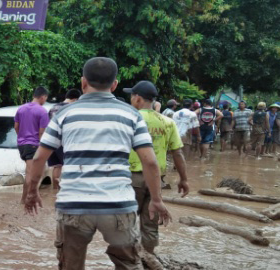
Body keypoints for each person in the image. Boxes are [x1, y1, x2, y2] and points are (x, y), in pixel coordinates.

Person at [24, 57, 171, 269]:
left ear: (83, 82)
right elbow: (150, 162)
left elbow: (39, 158)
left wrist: (32, 192)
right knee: (128, 264)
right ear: (114, 85)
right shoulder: (131, 115)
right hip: (118, 205)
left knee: (70, 265)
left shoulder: (63, 114)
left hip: (74, 205)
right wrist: (156, 199)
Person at [125, 81, 189, 255]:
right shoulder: (167, 122)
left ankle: (129, 262)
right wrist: (183, 179)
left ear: (137, 98)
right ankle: (148, 259)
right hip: (156, 180)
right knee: (151, 223)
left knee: (125, 224)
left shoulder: (130, 119)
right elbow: (177, 154)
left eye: (131, 95)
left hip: (131, 178)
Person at [14, 86, 49, 203]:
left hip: (22, 145)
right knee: (31, 173)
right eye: (46, 98)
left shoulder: (21, 109)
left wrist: (22, 138)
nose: (45, 101)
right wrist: (41, 147)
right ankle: (27, 200)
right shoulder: (42, 111)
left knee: (28, 171)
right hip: (33, 145)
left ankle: (23, 200)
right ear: (43, 97)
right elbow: (42, 132)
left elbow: (16, 127)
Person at [47, 89, 81, 189]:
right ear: (75, 99)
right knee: (70, 166)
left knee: (57, 166)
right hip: (66, 142)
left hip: (53, 141)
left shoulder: (53, 108)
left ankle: (55, 191)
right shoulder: (72, 109)